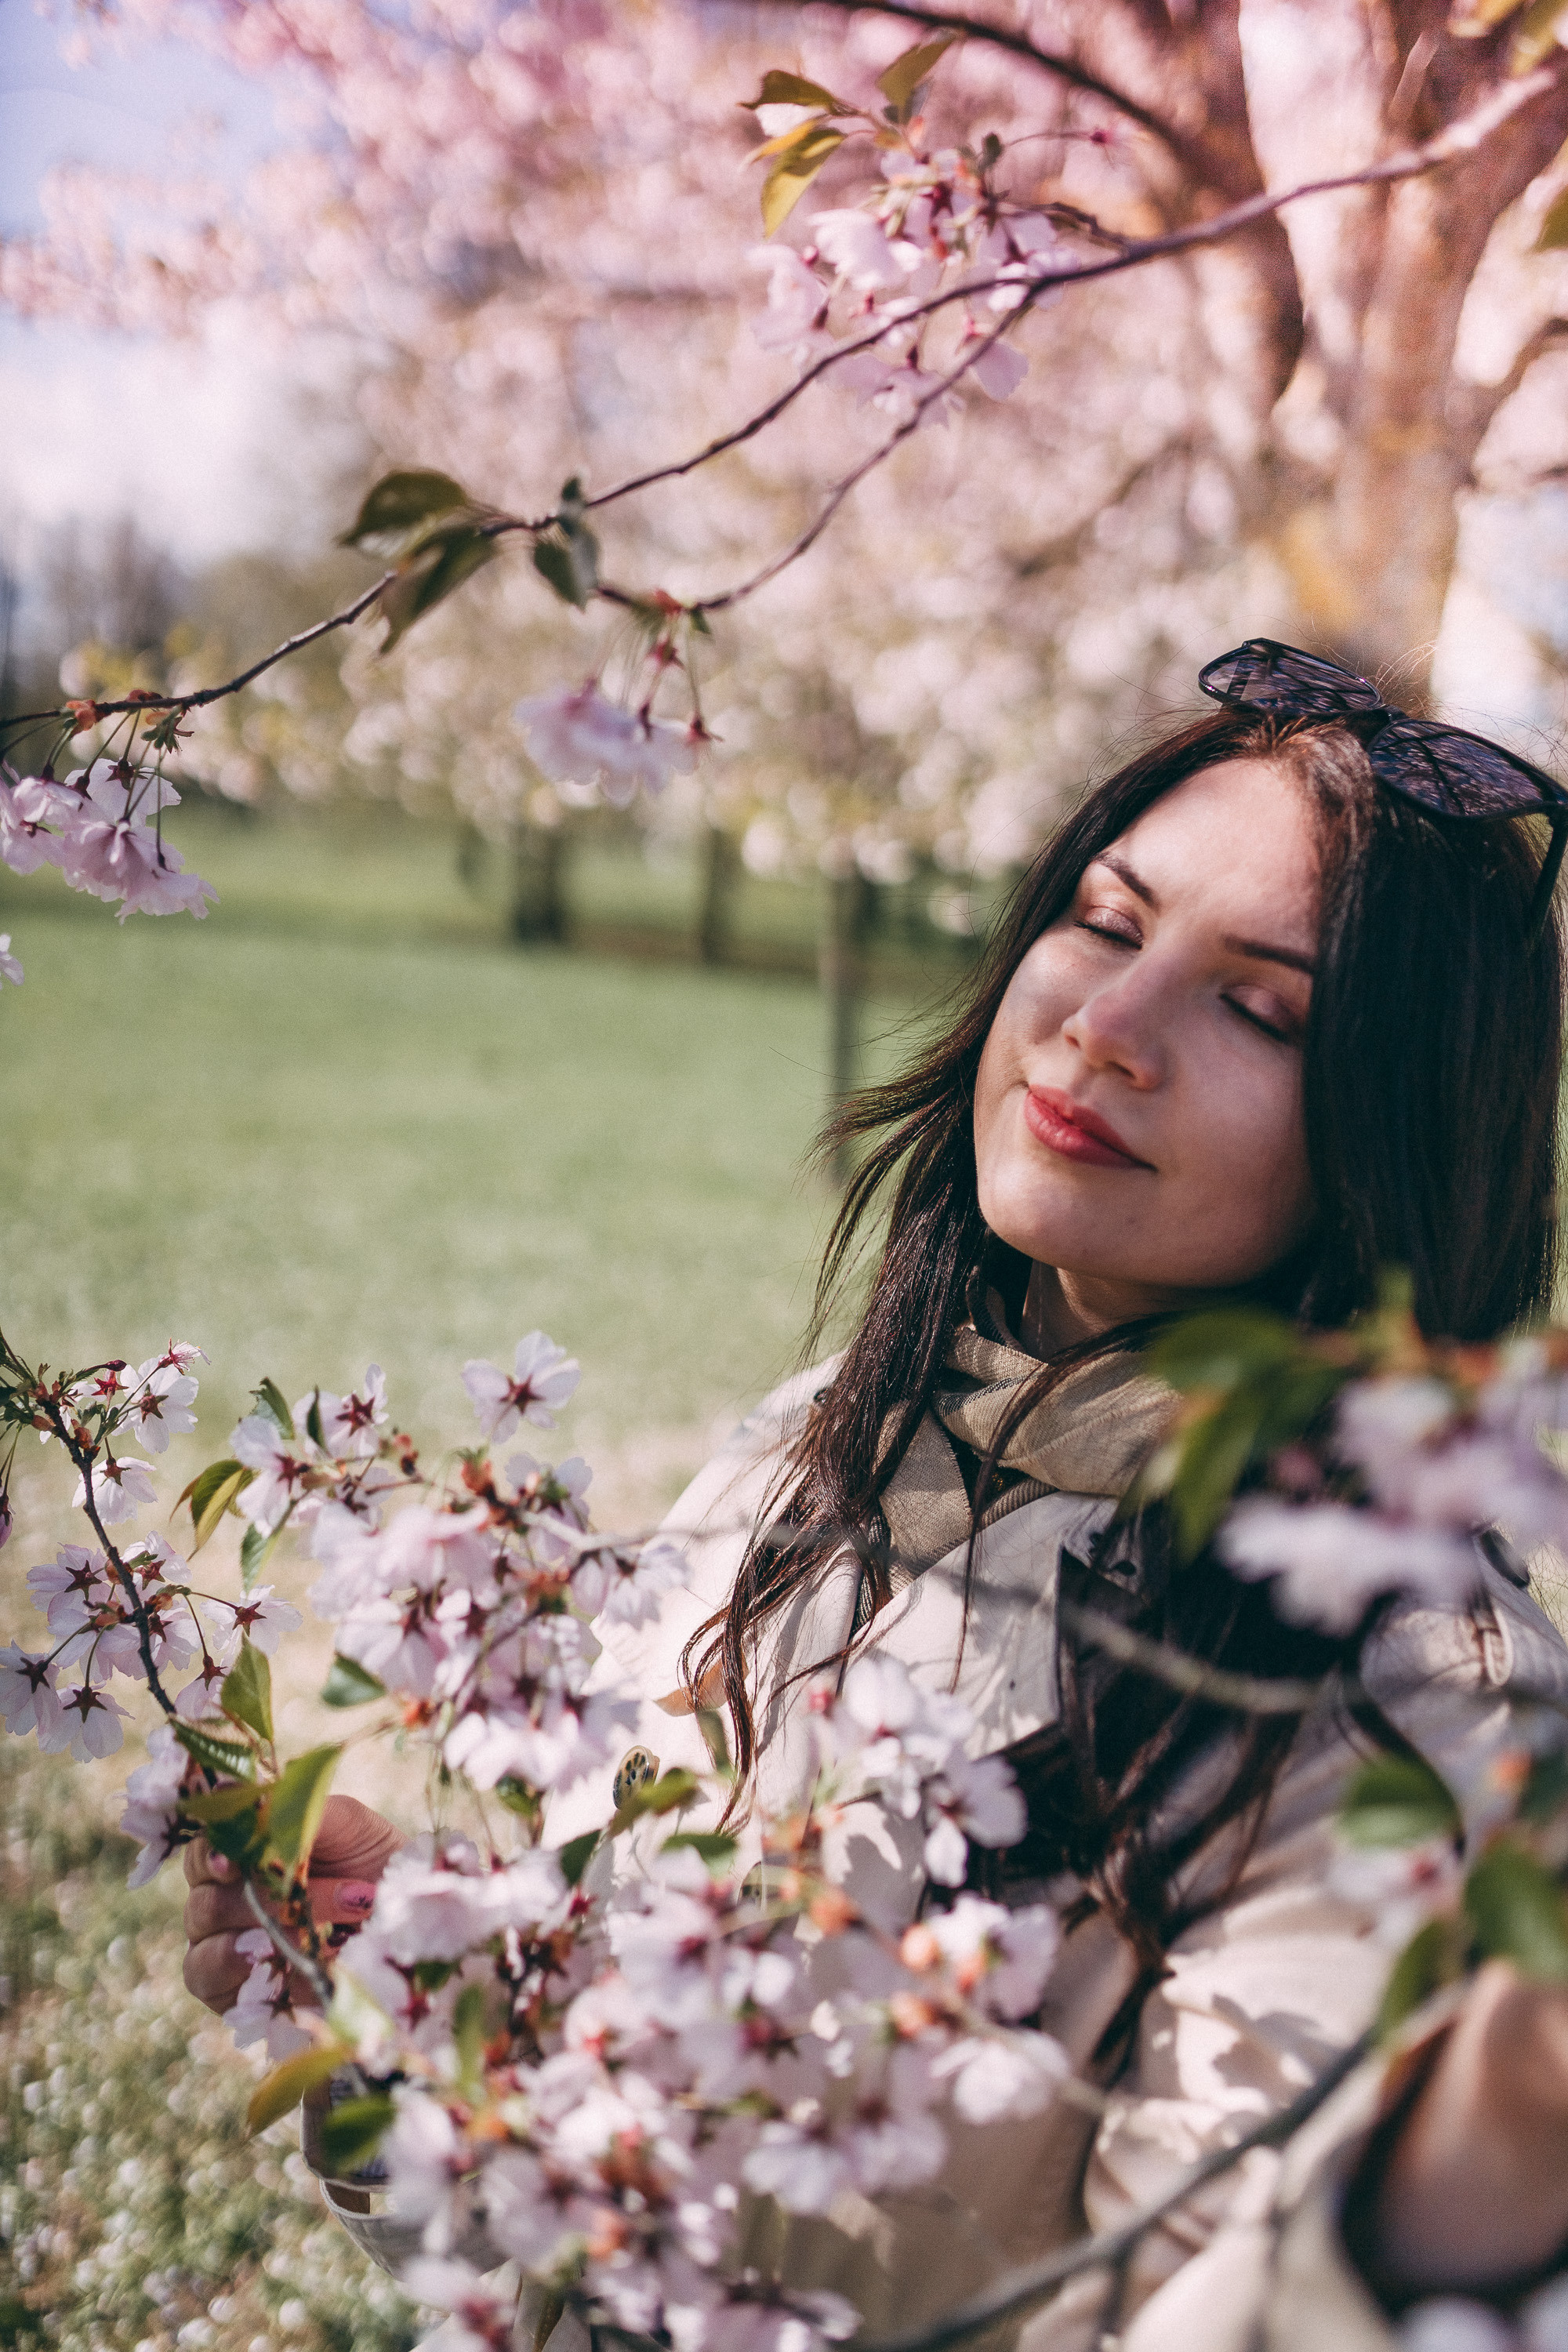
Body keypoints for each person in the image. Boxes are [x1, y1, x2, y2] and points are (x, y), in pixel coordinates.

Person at [183, 647, 1568, 2348]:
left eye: (1259, 1008)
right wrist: (439, 2022)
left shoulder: (1400, 1702)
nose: (1105, 1029)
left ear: (1395, 1135)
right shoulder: (813, 1445)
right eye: (1108, 923)